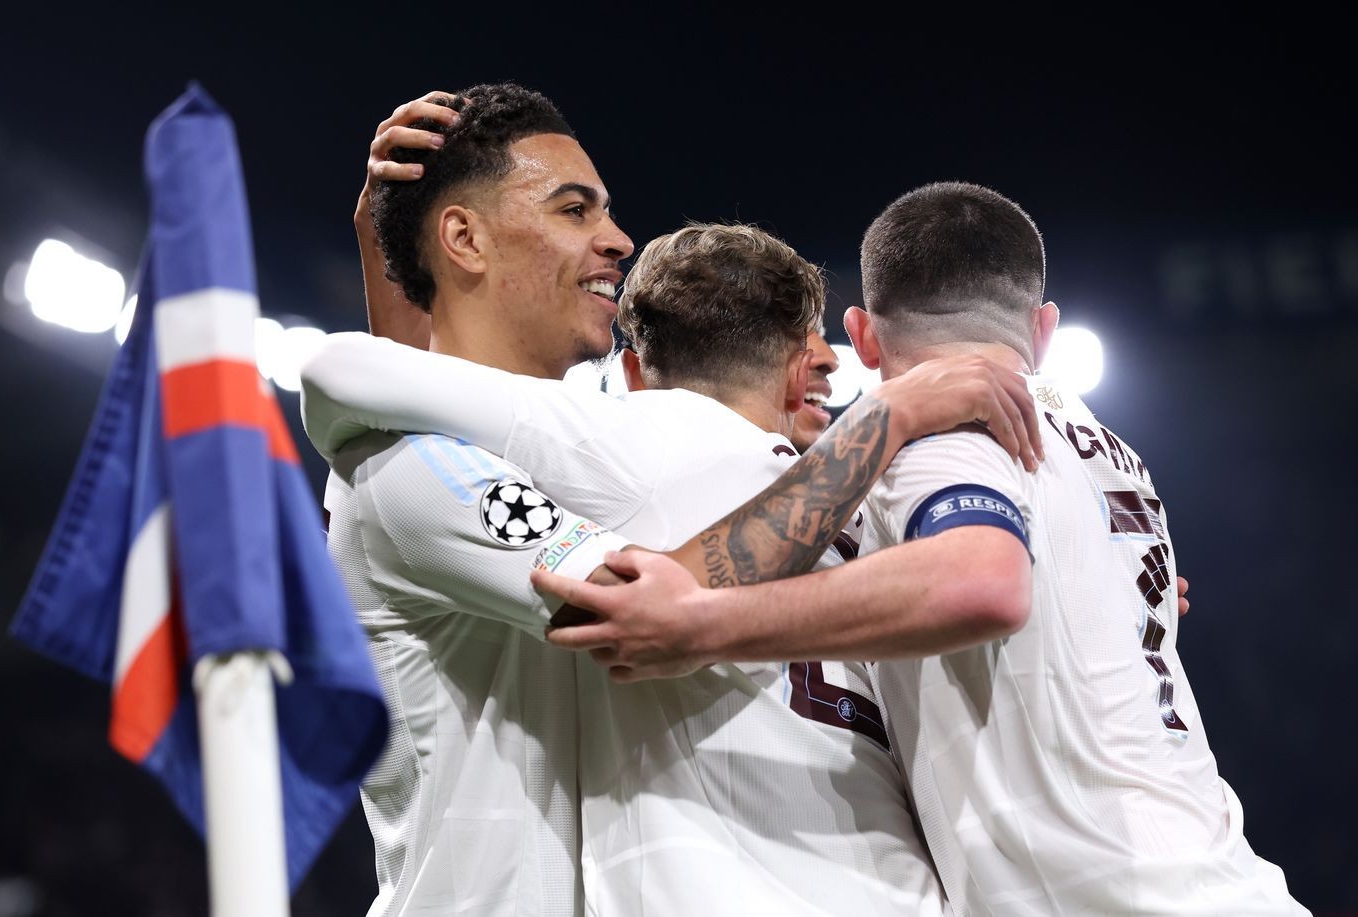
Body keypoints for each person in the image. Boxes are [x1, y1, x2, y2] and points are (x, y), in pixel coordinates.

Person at [316, 85, 1041, 917]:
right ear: (465, 237)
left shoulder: (626, 446)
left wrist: (397, 251)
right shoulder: (408, 466)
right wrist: (884, 420)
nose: (618, 240)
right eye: (574, 208)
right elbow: (634, 605)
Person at [532, 183, 1307, 915]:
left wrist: (701, 623)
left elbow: (979, 583)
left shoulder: (948, 421)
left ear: (862, 336)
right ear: (1043, 329)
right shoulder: (1115, 454)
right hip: (1223, 877)